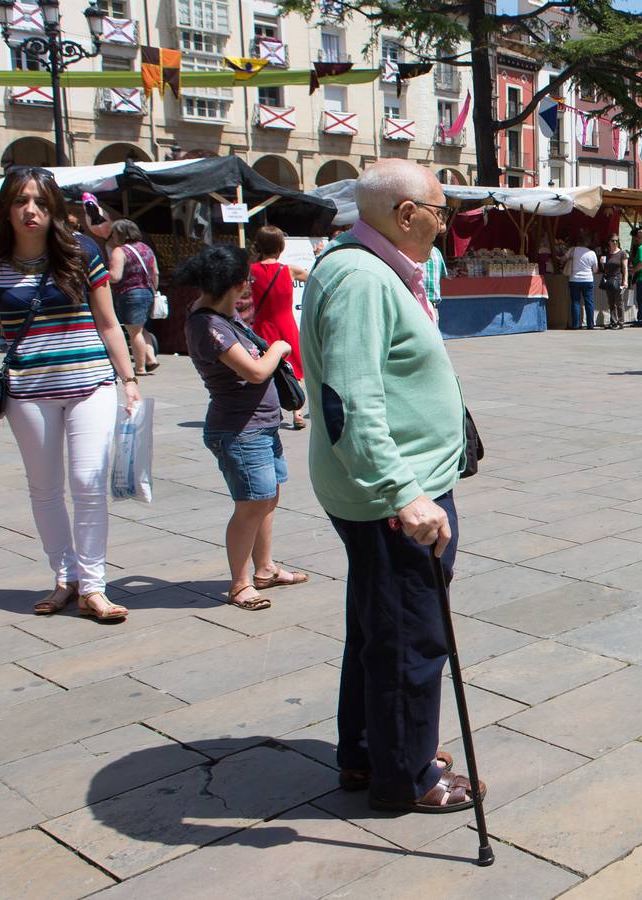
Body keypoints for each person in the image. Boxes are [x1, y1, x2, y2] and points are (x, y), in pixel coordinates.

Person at [299, 159, 483, 813]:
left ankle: (369, 751)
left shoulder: (366, 267)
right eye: (440, 211)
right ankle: (405, 776)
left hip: (391, 485)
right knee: (411, 631)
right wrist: (404, 495)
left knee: (379, 625)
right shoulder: (359, 277)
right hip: (393, 494)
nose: (445, 223)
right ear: (406, 214)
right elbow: (350, 399)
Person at [0, 166, 140, 623]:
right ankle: (65, 576)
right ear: (6, 209)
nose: (30, 210)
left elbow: (109, 323)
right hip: (27, 391)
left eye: (39, 202)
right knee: (45, 488)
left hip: (90, 383)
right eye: (20, 201)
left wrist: (129, 379)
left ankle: (93, 586)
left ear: (53, 208)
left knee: (89, 484)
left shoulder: (81, 251)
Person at [182, 244, 309, 611]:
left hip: (261, 426)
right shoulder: (208, 324)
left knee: (267, 499)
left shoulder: (224, 314)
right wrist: (280, 349)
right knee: (250, 506)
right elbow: (254, 372)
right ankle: (240, 585)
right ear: (237, 284)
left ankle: (265, 568)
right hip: (239, 430)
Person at [250, 226, 310, 430]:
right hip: (286, 325)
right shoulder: (289, 270)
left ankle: (272, 410)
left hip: (262, 326)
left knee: (266, 368)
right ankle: (297, 412)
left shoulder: (250, 271)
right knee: (296, 368)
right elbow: (314, 278)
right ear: (281, 247)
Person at [104, 218, 161, 377]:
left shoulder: (120, 251)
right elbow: (155, 272)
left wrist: (99, 274)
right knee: (141, 328)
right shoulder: (146, 248)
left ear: (120, 234)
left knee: (134, 332)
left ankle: (141, 368)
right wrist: (153, 290)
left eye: (114, 233)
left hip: (129, 294)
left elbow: (115, 276)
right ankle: (150, 359)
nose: (112, 236)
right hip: (148, 292)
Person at [567, 232, 598, 330]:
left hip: (574, 279)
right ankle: (590, 325)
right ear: (588, 242)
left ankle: (575, 325)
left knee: (575, 302)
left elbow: (563, 259)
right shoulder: (592, 253)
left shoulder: (572, 250)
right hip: (588, 279)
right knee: (589, 302)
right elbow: (595, 269)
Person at [601, 234, 629, 330]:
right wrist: (602, 263)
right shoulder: (607, 254)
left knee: (619, 301)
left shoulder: (622, 253)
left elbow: (625, 268)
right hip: (609, 280)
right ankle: (613, 322)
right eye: (613, 240)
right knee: (611, 302)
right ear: (609, 242)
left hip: (618, 279)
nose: (615, 242)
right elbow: (604, 269)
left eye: (616, 240)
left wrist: (625, 281)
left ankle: (621, 322)